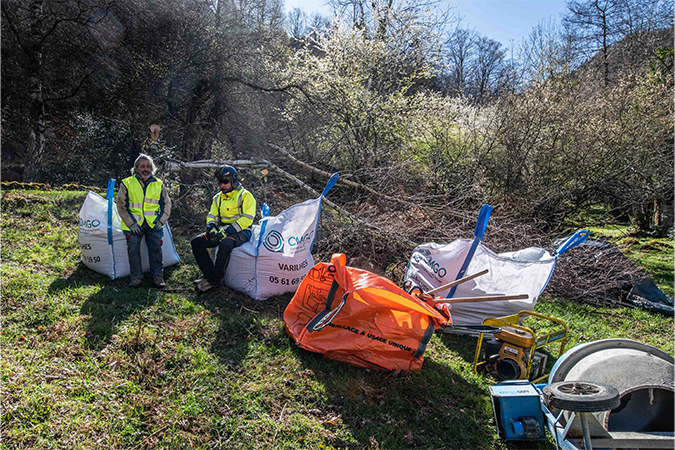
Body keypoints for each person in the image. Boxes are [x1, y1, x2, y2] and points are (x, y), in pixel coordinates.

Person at [192, 165, 256, 292]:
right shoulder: (218, 197)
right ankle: (209, 275)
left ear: (234, 180)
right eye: (220, 182)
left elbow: (247, 219)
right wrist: (211, 228)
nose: (222, 185)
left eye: (225, 182)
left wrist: (228, 231)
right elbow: (212, 215)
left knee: (226, 243)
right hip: (222, 229)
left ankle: (215, 281)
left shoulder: (245, 196)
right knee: (196, 241)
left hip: (242, 231)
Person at [116, 153, 172, 288]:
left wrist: (161, 221)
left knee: (156, 247)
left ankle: (157, 276)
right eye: (142, 166)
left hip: (153, 223)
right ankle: (136, 277)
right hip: (134, 223)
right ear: (136, 168)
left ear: (152, 169)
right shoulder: (127, 183)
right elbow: (120, 205)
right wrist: (131, 223)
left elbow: (167, 204)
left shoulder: (159, 184)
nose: (145, 169)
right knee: (133, 246)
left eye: (148, 166)